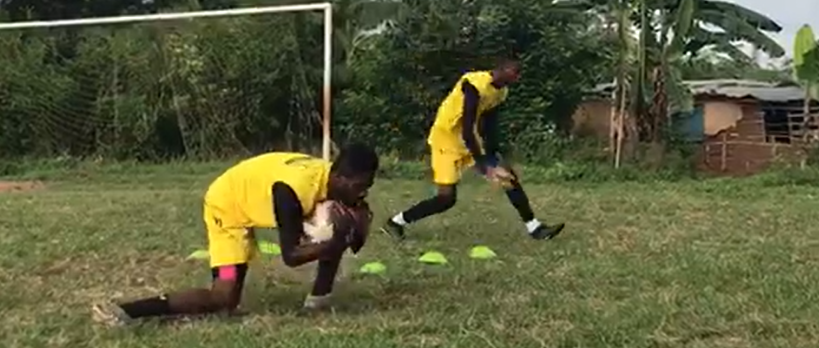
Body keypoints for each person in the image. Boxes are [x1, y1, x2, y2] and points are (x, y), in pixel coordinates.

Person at [92, 144, 380, 325]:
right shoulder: (291, 190)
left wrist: (351, 233)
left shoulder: (333, 182)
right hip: (228, 208)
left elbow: (349, 239)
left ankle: (317, 303)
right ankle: (128, 311)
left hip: (253, 191)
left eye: (367, 187)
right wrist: (338, 240)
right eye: (359, 187)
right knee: (224, 297)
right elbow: (292, 255)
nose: (362, 194)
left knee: (335, 230)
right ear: (339, 177)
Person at [384, 59, 564, 241]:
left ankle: (535, 228)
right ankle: (396, 222)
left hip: (469, 139)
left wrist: (493, 154)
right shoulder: (473, 84)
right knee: (446, 199)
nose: (514, 79)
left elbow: (490, 123)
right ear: (500, 70)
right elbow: (467, 128)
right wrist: (483, 164)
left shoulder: (501, 92)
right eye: (512, 74)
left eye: (517, 76)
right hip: (446, 140)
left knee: (508, 178)